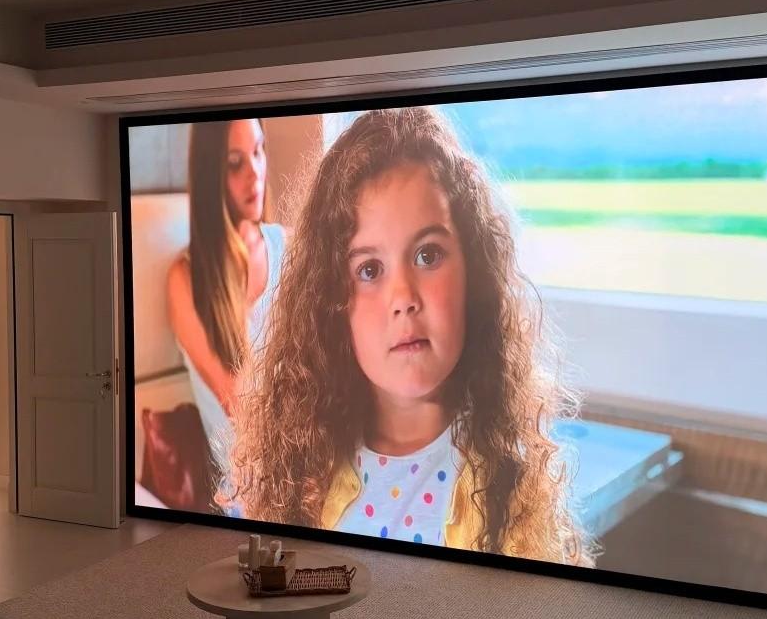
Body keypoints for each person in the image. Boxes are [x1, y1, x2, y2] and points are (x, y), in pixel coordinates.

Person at [227, 107, 593, 566]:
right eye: (369, 269)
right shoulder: (299, 473)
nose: (403, 298)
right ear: (330, 303)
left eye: (427, 255)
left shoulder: (511, 480)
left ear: (473, 273)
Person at [166, 118, 286, 467]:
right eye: (235, 163)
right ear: (211, 174)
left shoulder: (291, 249)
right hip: (251, 477)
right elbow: (238, 405)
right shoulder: (186, 280)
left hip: (313, 454)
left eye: (258, 151)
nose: (255, 173)